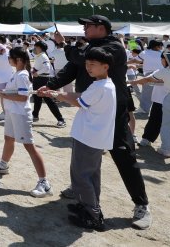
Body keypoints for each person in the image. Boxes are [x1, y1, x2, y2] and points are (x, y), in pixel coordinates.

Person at [37, 15, 152, 230]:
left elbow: (82, 57)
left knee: (124, 154)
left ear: (101, 28)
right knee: (85, 151)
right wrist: (49, 85)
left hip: (113, 111)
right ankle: (82, 191)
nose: (84, 29)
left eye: (87, 26)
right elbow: (70, 69)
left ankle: (141, 204)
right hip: (88, 107)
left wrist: (62, 44)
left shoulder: (113, 46)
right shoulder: (86, 48)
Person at [51, 47, 117, 231]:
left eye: (93, 65)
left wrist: (57, 95)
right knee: (91, 175)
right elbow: (81, 97)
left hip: (88, 137)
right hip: (94, 137)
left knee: (81, 176)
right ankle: (88, 206)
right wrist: (57, 93)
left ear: (105, 66)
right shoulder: (105, 84)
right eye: (87, 64)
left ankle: (93, 215)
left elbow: (78, 101)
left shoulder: (99, 86)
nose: (88, 68)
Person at [0, 46, 51, 197]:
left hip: (20, 114)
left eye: (11, 57)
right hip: (12, 112)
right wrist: (3, 94)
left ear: (19, 60)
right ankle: (3, 165)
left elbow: (22, 97)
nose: (8, 59)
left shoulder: (22, 75)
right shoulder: (17, 73)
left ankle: (44, 183)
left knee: (29, 146)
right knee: (8, 139)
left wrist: (3, 95)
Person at [31, 41, 66, 127]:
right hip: (38, 79)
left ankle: (61, 119)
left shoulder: (43, 56)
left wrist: (37, 73)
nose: (34, 49)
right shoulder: (39, 55)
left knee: (49, 100)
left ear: (39, 47)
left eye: (35, 47)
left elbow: (46, 68)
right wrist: (34, 71)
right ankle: (35, 115)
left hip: (43, 79)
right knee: (37, 98)